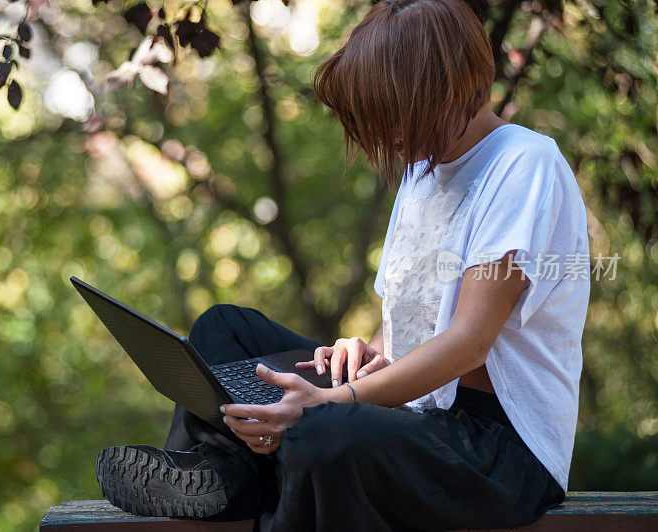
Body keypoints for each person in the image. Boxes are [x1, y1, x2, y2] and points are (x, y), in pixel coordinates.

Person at [95, 0, 590, 530]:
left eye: (396, 115)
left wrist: (334, 400)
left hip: (496, 452)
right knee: (225, 330)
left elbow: (468, 341)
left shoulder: (524, 165)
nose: (390, 135)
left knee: (321, 431)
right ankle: (221, 475)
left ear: (447, 86)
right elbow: (413, 316)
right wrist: (367, 352)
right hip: (411, 412)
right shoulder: (422, 171)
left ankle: (247, 484)